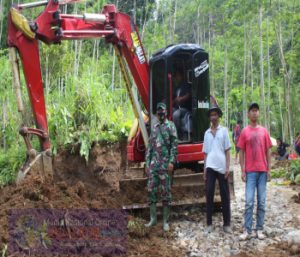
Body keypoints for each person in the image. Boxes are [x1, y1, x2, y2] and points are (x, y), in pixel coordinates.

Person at [238, 103, 272, 241]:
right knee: (249, 202)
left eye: (256, 111)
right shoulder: (245, 131)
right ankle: (247, 230)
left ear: (259, 113)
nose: (254, 113)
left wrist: (269, 169)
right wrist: (242, 170)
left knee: (262, 202)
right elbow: (241, 151)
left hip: (263, 171)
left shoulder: (264, 131)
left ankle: (259, 229)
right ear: (248, 114)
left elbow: (268, 150)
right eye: (252, 111)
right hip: (250, 172)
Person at [145, 102, 178, 231]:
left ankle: (166, 221)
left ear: (166, 112)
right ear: (157, 113)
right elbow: (150, 147)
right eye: (158, 112)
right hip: (154, 164)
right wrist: (147, 163)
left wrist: (171, 162)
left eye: (162, 111)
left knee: (166, 192)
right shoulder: (154, 127)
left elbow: (174, 146)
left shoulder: (171, 126)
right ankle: (153, 219)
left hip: (165, 164)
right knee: (151, 190)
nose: (160, 113)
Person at [203, 105, 231, 235]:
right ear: (209, 118)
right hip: (210, 167)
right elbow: (206, 153)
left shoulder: (224, 131)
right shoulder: (207, 133)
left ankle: (227, 224)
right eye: (211, 115)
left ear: (219, 116)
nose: (213, 117)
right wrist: (204, 169)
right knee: (209, 194)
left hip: (221, 167)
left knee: (225, 195)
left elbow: (227, 150)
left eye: (215, 115)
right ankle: (209, 224)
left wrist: (227, 167)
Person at [172, 68, 192, 140]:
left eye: (178, 75)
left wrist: (181, 99)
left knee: (175, 114)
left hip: (185, 109)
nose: (176, 78)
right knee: (170, 110)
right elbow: (174, 98)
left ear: (181, 76)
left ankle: (178, 133)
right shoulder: (178, 87)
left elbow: (189, 95)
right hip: (178, 108)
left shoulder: (186, 85)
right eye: (176, 76)